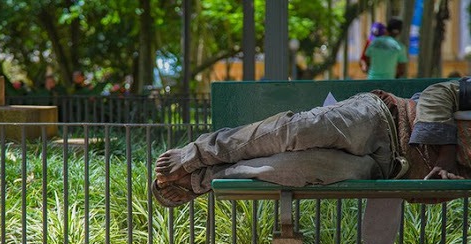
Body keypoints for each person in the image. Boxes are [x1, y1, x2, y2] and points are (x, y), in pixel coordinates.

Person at [152, 78, 471, 208]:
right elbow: (438, 93)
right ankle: (198, 151)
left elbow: (440, 192)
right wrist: (444, 157)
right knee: (299, 131)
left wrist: (436, 188)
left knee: (293, 170)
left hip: (384, 169)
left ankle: (197, 181)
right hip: (384, 118)